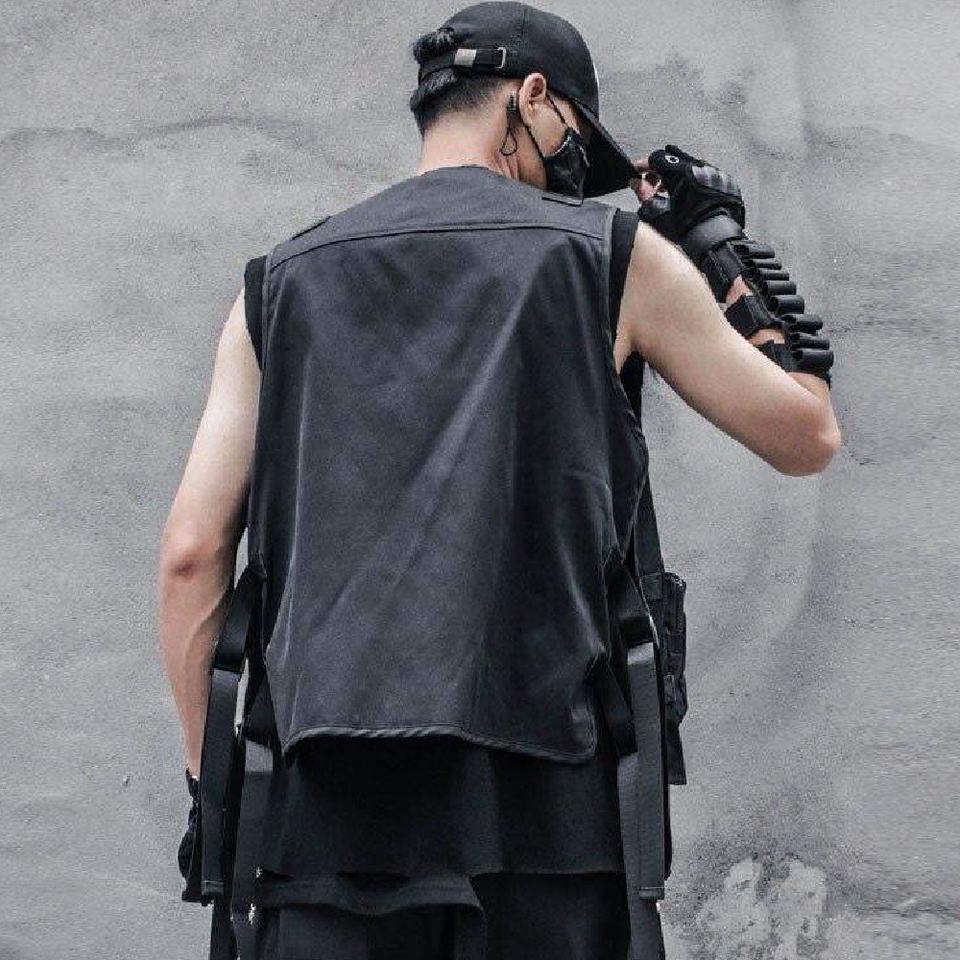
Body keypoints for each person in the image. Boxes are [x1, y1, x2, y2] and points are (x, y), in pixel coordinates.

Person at [158, 3, 841, 958]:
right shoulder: (612, 259)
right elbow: (807, 435)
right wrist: (719, 245)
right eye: (576, 145)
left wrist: (215, 790)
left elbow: (192, 556)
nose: (574, 180)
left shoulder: (273, 286)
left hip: (323, 831)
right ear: (532, 98)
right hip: (553, 830)